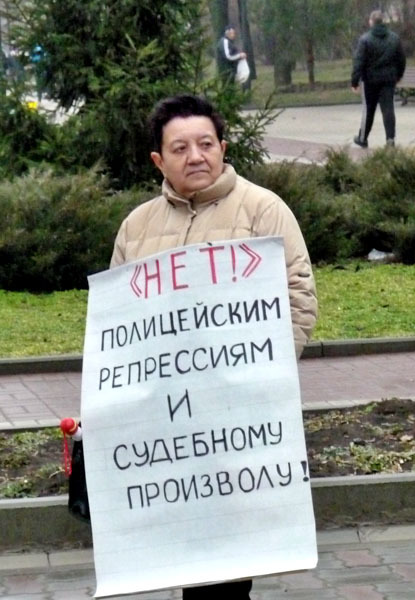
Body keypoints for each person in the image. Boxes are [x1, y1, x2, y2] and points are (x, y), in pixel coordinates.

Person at [110, 94, 318, 599]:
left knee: (229, 560)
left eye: (205, 144)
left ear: (223, 148)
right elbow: (118, 323)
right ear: (159, 160)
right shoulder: (136, 227)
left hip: (237, 422)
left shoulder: (263, 210)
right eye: (179, 148)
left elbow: (298, 299)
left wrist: (254, 378)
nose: (195, 157)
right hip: (167, 426)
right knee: (186, 554)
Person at [351, 10, 406, 148]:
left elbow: (359, 62)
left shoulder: (365, 40)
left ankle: (363, 138)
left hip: (370, 81)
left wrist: (355, 81)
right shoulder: (394, 38)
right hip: (388, 80)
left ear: (371, 22)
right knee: (388, 109)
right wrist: (399, 75)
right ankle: (390, 139)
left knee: (368, 110)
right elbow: (401, 59)